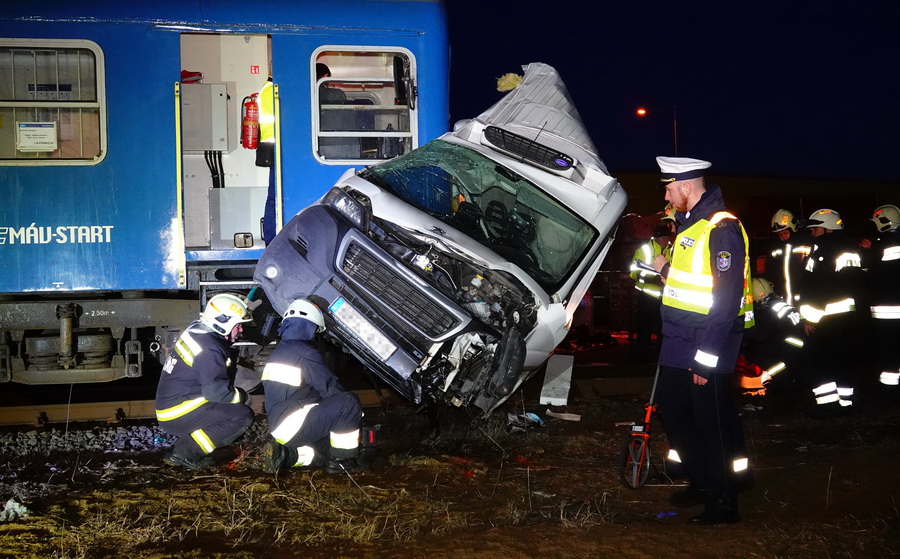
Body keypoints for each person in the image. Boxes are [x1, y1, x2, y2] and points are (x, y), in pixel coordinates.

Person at [650, 156, 754, 525]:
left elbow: (725, 298)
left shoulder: (721, 227)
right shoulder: (689, 225)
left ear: (686, 187)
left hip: (710, 339)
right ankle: (704, 481)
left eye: (669, 187)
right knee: (673, 406)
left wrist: (707, 354)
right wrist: (665, 271)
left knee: (711, 420)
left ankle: (725, 500)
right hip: (681, 337)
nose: (666, 193)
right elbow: (695, 283)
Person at [260, 298, 372, 475]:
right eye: (315, 330)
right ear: (308, 326)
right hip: (295, 424)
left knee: (330, 448)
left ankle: (286, 455)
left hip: (282, 427)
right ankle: (342, 464)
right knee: (348, 402)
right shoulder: (305, 352)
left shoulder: (281, 351)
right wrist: (355, 412)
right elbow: (329, 386)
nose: (315, 336)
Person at [155, 293, 256, 470]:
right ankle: (185, 453)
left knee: (231, 408)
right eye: (237, 325)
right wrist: (241, 396)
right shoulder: (210, 348)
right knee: (241, 415)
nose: (240, 330)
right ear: (222, 322)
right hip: (177, 413)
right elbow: (216, 393)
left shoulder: (197, 331)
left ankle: (192, 444)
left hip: (172, 407)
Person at [796, 209, 863, 414]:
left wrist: (811, 319)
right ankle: (846, 405)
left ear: (828, 229)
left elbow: (819, 289)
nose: (812, 233)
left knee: (821, 364)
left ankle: (827, 408)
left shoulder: (825, 253)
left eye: (815, 229)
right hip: (847, 320)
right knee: (843, 363)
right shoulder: (849, 249)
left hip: (826, 320)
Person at [864, 205, 900, 388]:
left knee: (888, 348)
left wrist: (868, 250)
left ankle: (889, 387)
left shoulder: (883, 242)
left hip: (887, 308)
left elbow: (870, 269)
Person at [629, 223, 672, 362]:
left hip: (665, 298)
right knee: (644, 330)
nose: (666, 241)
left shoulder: (672, 250)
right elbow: (633, 273)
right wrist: (652, 279)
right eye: (664, 238)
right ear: (658, 238)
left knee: (663, 331)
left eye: (667, 238)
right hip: (647, 297)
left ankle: (660, 360)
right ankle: (641, 361)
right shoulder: (644, 250)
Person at [764, 209, 810, 303]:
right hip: (781, 298)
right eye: (780, 234)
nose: (782, 236)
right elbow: (769, 271)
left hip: (802, 297)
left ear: (792, 229)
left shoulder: (806, 244)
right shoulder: (774, 248)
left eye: (785, 233)